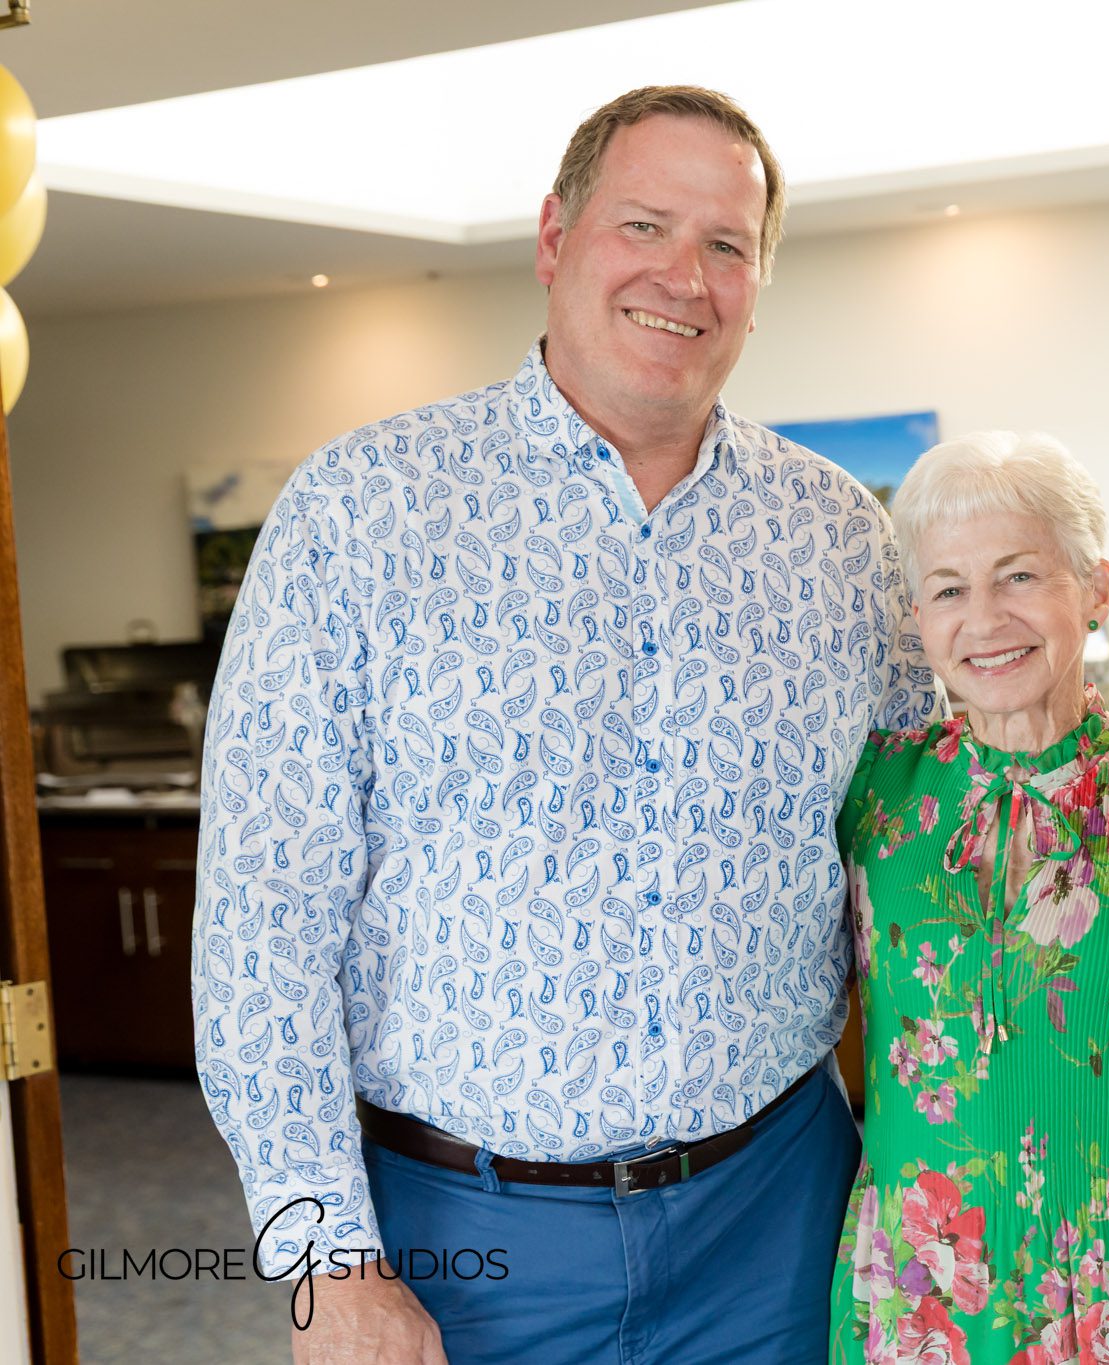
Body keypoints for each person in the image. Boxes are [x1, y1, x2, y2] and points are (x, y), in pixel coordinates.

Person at [194, 85, 936, 1364]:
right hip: (460, 1242)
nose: (684, 277)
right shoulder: (360, 513)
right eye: (643, 225)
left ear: (759, 281)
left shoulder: (842, 543)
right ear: (553, 239)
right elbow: (261, 928)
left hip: (774, 1223)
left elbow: (926, 840)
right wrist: (327, 1263)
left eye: (726, 246)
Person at [829, 432, 1109, 1364]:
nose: (986, 618)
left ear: (1096, 587)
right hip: (923, 1297)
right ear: (917, 617)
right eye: (950, 589)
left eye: (1020, 576)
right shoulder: (872, 798)